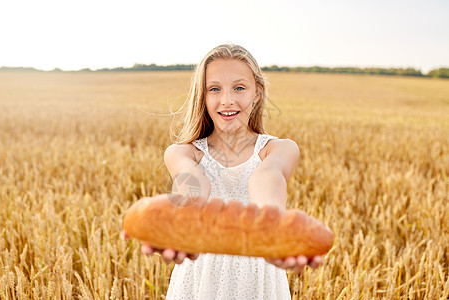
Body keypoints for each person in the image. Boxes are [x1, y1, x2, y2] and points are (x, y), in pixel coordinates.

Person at [123, 44, 322, 299]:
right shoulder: (183, 152)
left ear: (257, 93)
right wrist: (183, 217)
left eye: (239, 87)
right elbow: (191, 182)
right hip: (199, 280)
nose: (227, 99)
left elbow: (267, 177)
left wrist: (272, 229)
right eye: (214, 89)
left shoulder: (279, 149)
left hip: (259, 275)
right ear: (203, 96)